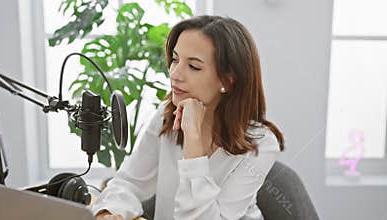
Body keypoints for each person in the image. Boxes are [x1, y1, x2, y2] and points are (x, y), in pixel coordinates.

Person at [93, 15, 285, 220]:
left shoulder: (261, 143)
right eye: (175, 59)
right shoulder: (166, 115)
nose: (174, 73)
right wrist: (109, 213)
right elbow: (129, 183)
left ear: (228, 81)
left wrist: (193, 140)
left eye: (194, 66)